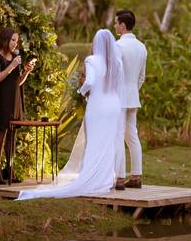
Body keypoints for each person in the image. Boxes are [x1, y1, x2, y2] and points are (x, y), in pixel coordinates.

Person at [17, 29, 124, 200]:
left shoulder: (92, 60)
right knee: (107, 143)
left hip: (97, 106)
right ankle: (105, 180)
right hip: (113, 107)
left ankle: (91, 178)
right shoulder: (116, 62)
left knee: (94, 142)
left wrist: (81, 91)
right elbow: (119, 86)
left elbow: (89, 81)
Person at [0, 28, 36, 184]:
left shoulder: (16, 57)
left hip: (14, 102)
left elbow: (18, 82)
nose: (15, 43)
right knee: (1, 134)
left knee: (12, 136)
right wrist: (12, 65)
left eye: (17, 41)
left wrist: (26, 71)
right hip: (1, 102)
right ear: (6, 40)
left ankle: (10, 170)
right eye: (13, 40)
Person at [113, 10, 147, 189]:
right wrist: (133, 91)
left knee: (118, 136)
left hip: (119, 97)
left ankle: (119, 179)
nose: (114, 25)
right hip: (133, 96)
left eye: (116, 23)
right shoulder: (142, 47)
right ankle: (135, 177)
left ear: (123, 25)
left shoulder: (117, 46)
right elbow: (142, 77)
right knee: (132, 136)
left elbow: (114, 75)